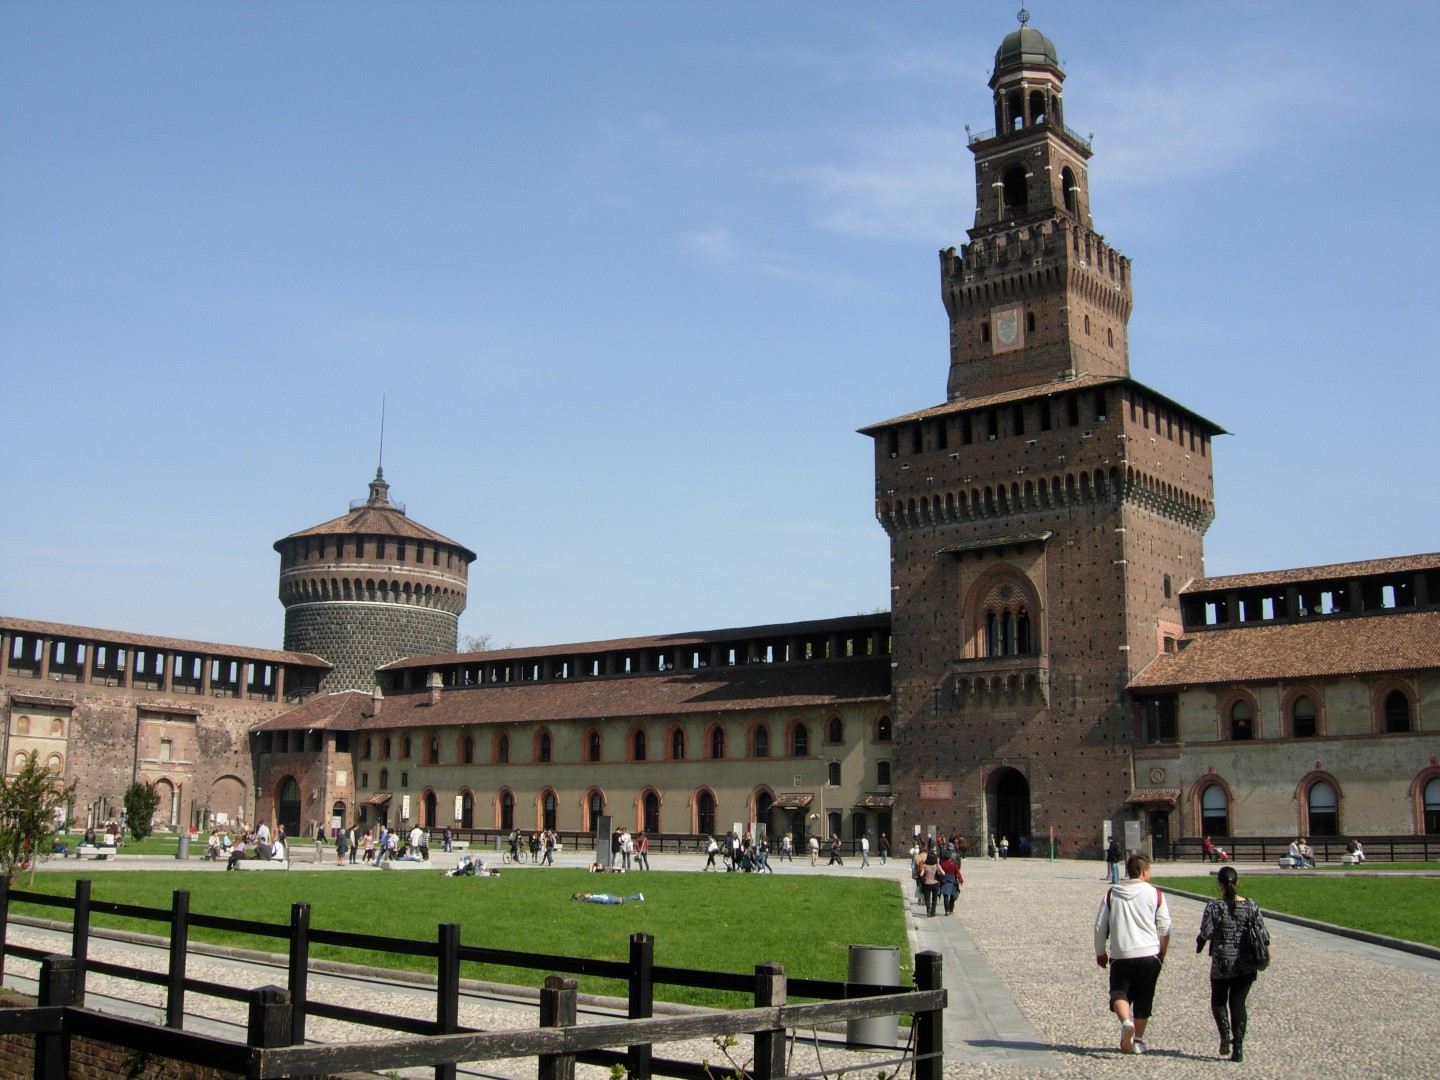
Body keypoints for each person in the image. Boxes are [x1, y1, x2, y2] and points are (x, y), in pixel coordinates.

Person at [1094, 853, 1171, 1055]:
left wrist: (1100, 952)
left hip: (1122, 953)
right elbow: (1164, 927)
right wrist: (1161, 954)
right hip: (1149, 954)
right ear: (1145, 871)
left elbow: (1100, 926)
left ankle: (1126, 1022)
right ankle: (1138, 1040)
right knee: (1145, 997)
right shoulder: (1156, 894)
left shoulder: (1112, 894)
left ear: (1128, 871)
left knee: (1119, 992)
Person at [1196, 864, 1269, 1062]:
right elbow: (1263, 934)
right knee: (1238, 1003)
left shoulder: (1214, 906)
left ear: (1220, 885)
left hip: (1221, 963)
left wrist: (1200, 943)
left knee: (1218, 1001)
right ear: (1237, 882)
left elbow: (1206, 932)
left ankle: (1225, 1035)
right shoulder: (1251, 905)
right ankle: (1238, 1046)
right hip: (1246, 964)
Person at [938, 851, 963, 915]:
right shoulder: (954, 864)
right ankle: (951, 909)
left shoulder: (942, 864)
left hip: (944, 881)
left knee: (945, 896)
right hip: (953, 881)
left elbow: (939, 873)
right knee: (952, 896)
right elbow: (958, 873)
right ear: (950, 857)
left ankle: (947, 911)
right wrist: (961, 880)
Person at [919, 852, 942, 916]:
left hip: (927, 883)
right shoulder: (936, 866)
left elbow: (921, 874)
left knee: (927, 898)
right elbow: (943, 873)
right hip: (935, 883)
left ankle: (928, 909)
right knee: (934, 899)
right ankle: (933, 912)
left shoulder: (925, 866)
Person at [572, 891, 644, 905]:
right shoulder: (586, 896)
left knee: (622, 900)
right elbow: (591, 894)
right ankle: (637, 896)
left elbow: (599, 900)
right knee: (621, 902)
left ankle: (638, 896)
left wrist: (606, 902)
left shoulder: (587, 898)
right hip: (607, 896)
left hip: (607, 899)